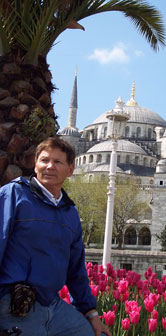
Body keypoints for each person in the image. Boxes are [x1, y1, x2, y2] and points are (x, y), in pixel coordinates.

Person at [0, 137, 111, 336]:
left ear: (70, 170)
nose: (49, 166)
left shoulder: (69, 211)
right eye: (44, 160)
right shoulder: (14, 195)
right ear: (35, 166)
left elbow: (76, 268)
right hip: (14, 304)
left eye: (57, 162)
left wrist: (91, 313)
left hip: (51, 305)